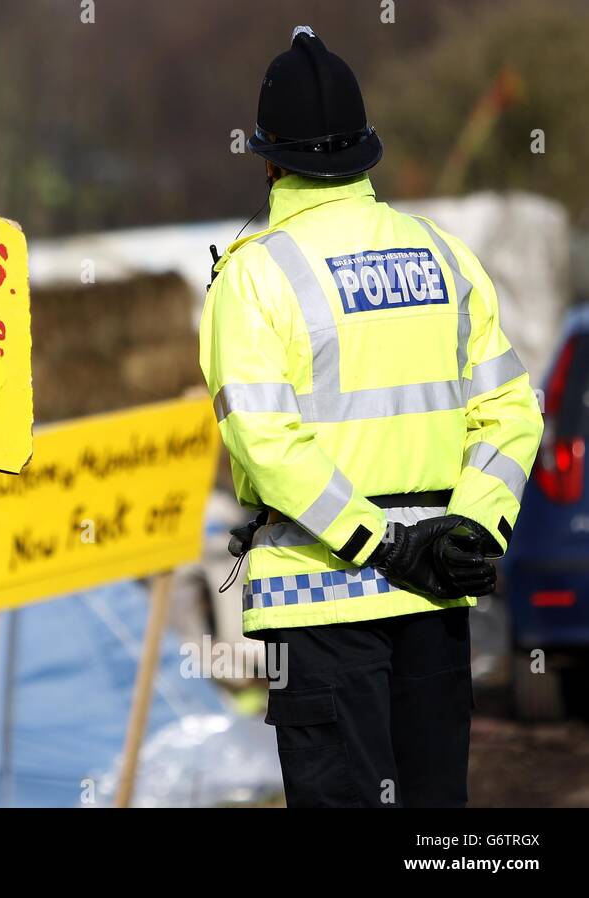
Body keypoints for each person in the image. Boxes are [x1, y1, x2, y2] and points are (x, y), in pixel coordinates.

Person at [200, 26, 543, 807]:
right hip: (434, 607)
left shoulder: (252, 277)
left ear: (269, 157)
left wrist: (379, 540)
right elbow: (512, 409)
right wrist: (471, 530)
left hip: (320, 608)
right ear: (364, 152)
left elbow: (266, 440)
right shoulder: (443, 254)